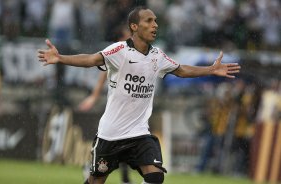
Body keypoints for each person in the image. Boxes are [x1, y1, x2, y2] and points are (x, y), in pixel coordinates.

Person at [38, 6, 240, 184]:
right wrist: (61, 58)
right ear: (134, 27)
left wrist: (211, 70)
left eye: (156, 21)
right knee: (95, 181)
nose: (155, 25)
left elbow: (181, 70)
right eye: (149, 21)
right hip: (111, 134)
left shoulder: (157, 56)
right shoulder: (120, 50)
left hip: (138, 133)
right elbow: (91, 59)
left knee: (155, 177)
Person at [79, 26, 132, 184]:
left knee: (126, 143)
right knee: (114, 144)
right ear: (120, 38)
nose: (131, 37)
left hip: (130, 108)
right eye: (127, 34)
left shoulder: (134, 53)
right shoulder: (116, 54)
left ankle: (124, 178)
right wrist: (94, 96)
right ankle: (92, 167)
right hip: (117, 108)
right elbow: (103, 75)